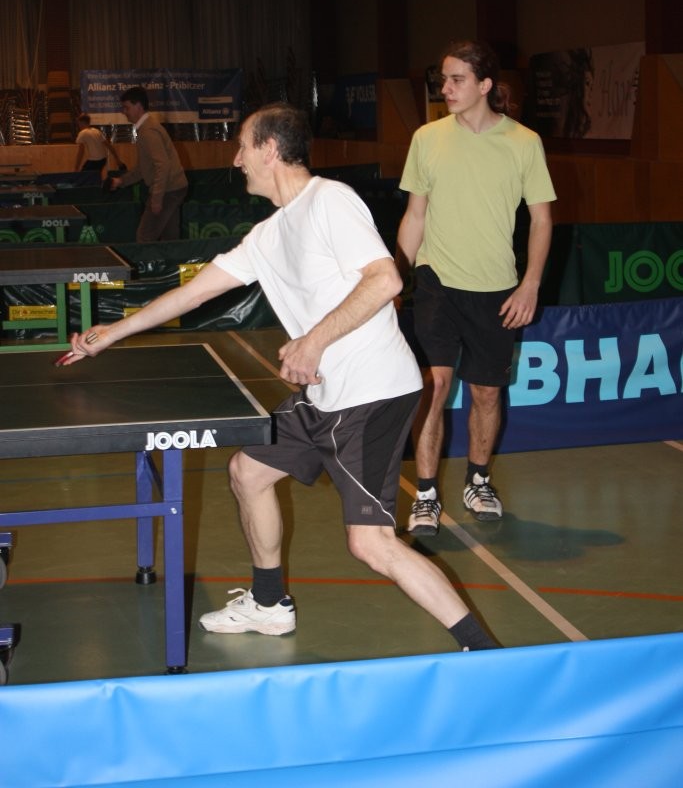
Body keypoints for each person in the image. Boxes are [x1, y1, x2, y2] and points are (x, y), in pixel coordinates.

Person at [63, 103, 499, 652]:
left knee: (372, 545)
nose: (236, 159)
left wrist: (312, 341)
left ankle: (484, 652)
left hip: (373, 395)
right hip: (324, 395)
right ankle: (269, 604)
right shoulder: (266, 236)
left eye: (243, 146)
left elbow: (386, 280)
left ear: (270, 150)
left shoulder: (330, 200)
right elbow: (193, 294)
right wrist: (113, 332)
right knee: (247, 471)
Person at [396, 40, 556, 535]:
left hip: (496, 290)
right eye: (442, 80)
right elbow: (415, 215)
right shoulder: (427, 138)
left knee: (486, 393)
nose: (445, 89)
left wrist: (530, 285)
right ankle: (426, 493)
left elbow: (542, 219)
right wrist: (396, 277)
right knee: (434, 386)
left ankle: (478, 480)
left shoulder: (524, 142)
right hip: (437, 282)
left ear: (485, 85)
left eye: (456, 79)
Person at [109, 86, 188, 242]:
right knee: (170, 237)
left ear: (138, 106)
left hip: (168, 190)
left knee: (145, 236)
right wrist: (120, 181)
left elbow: (163, 165)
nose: (124, 112)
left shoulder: (148, 131)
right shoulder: (147, 128)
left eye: (126, 107)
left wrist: (156, 198)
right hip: (174, 187)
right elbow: (142, 168)